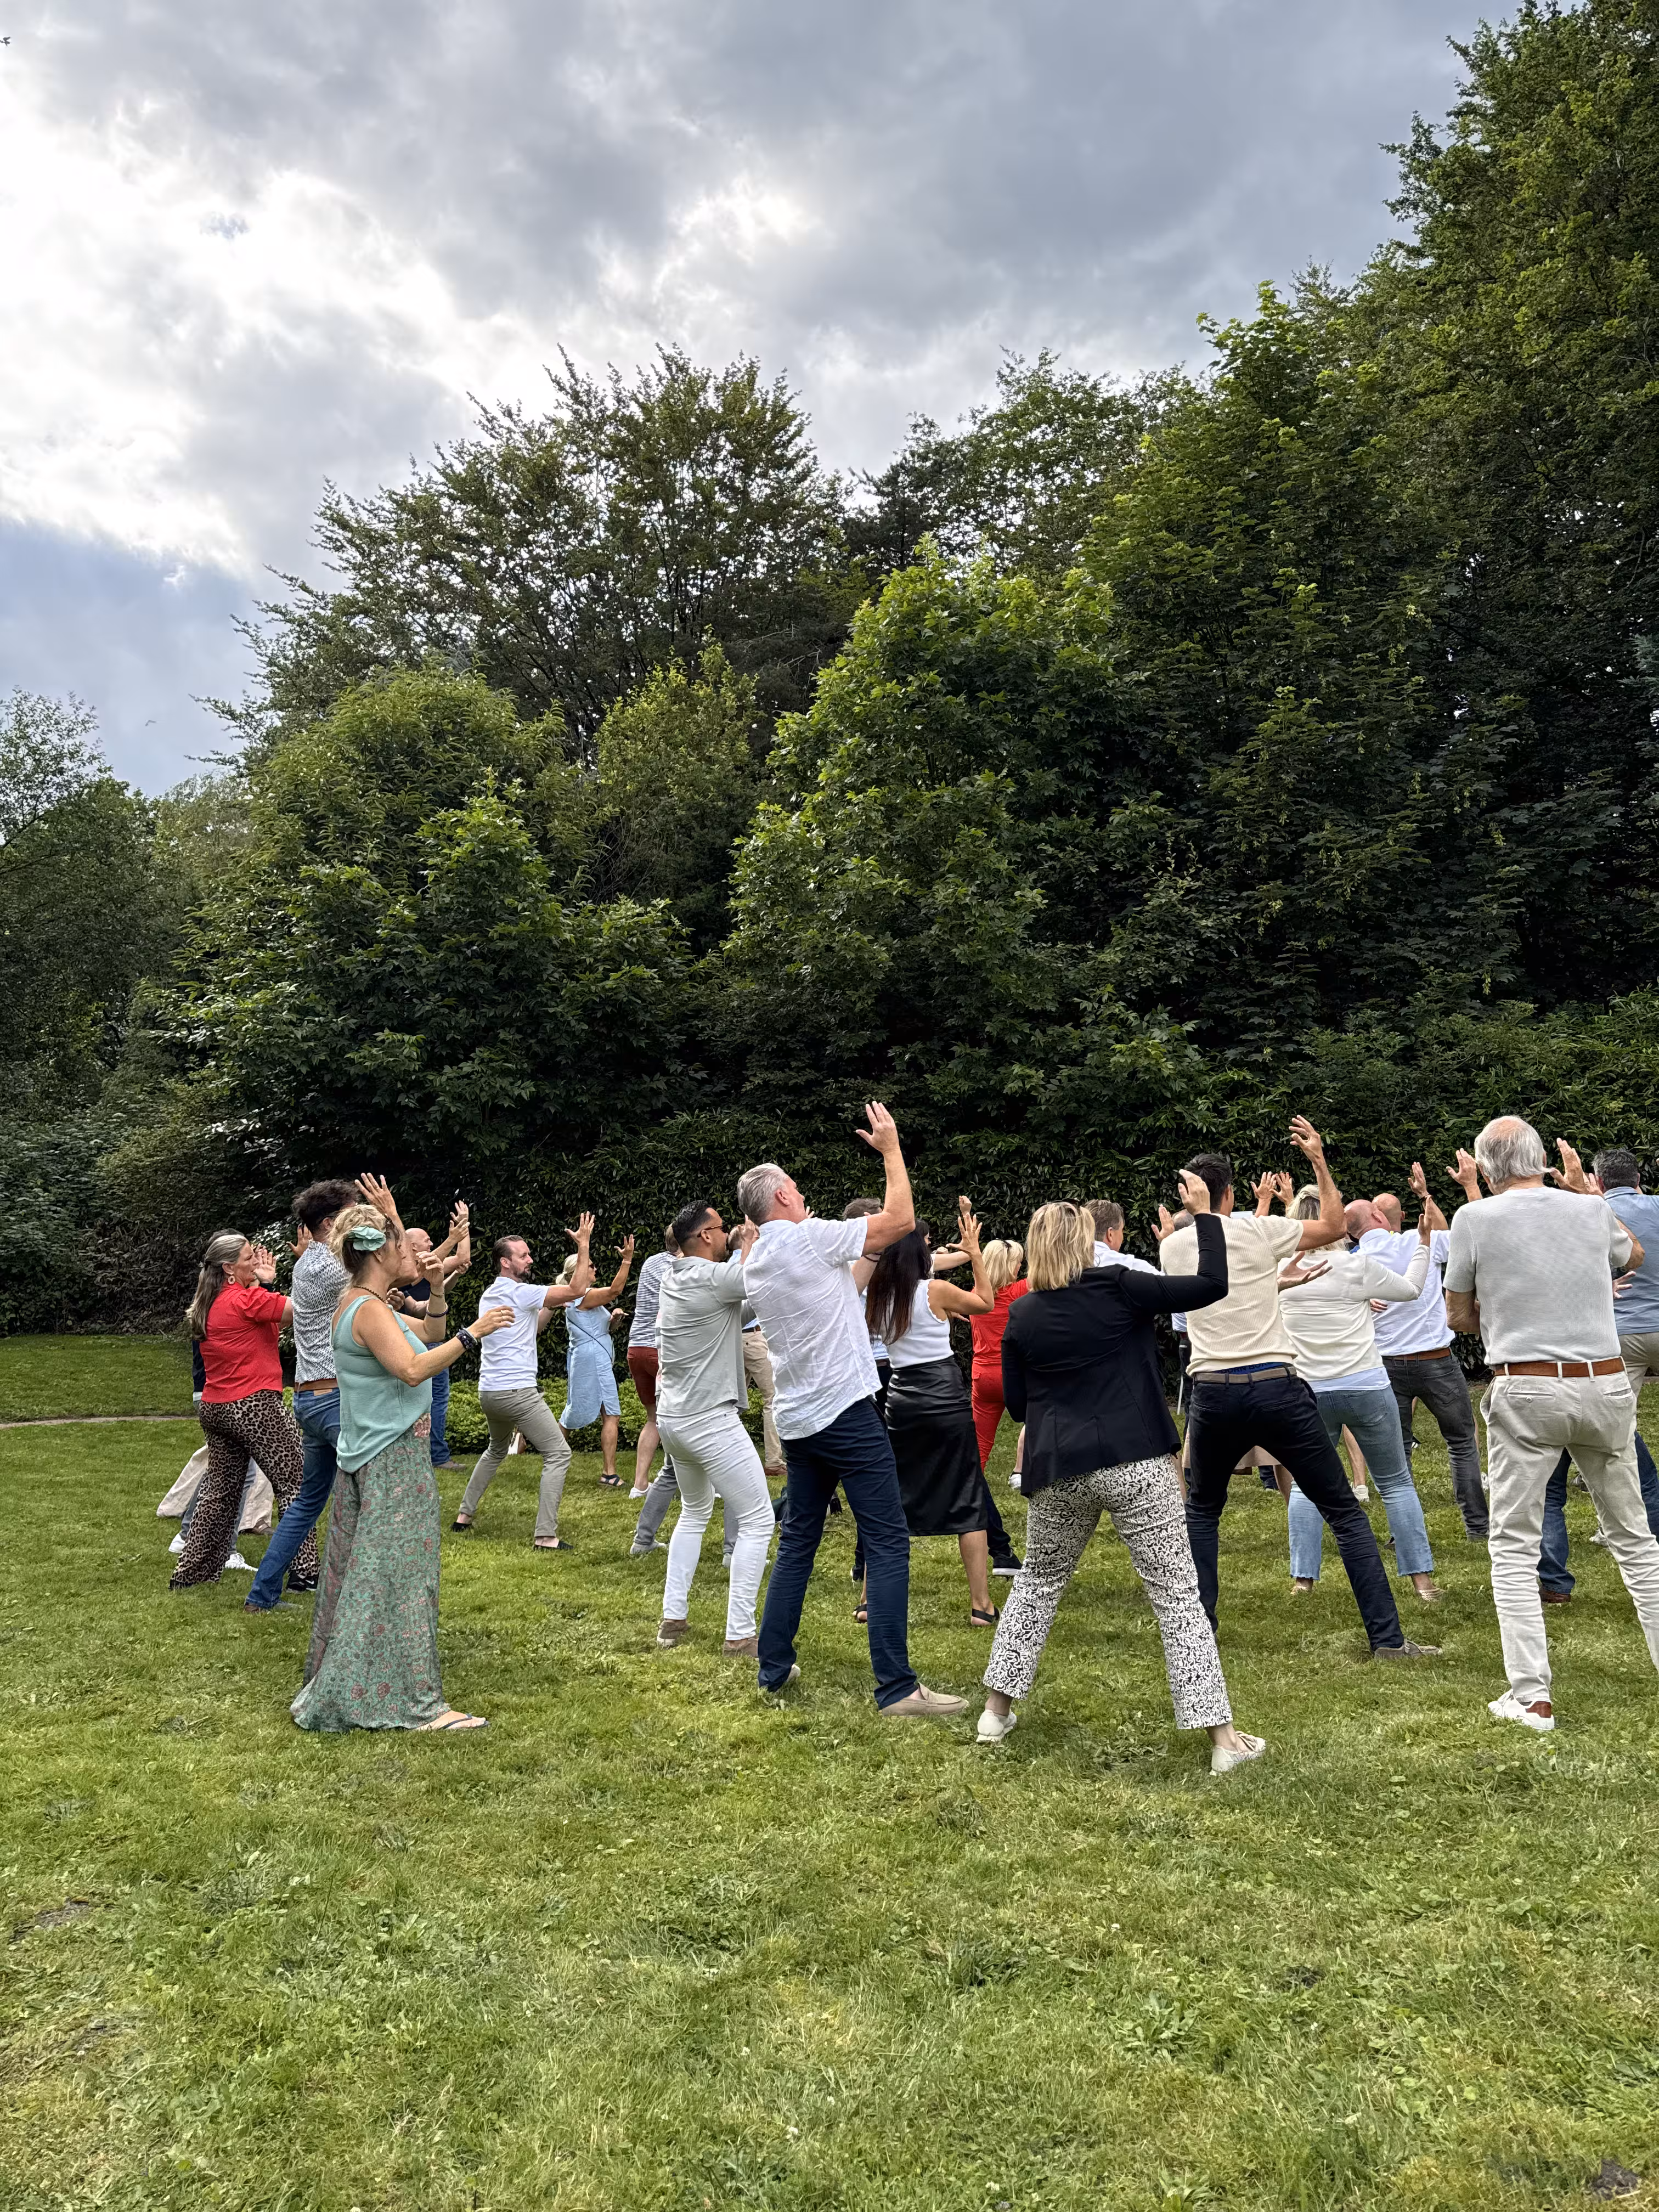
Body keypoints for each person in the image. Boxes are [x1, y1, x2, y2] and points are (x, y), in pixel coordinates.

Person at [979, 1180, 1265, 1774]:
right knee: (1177, 1596)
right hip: (1136, 1460)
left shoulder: (1024, 1312)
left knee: (1037, 1585)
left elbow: (1020, 1407)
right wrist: (1205, 1218)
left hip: (1059, 1467)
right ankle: (1224, 1742)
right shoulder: (1120, 1285)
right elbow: (1212, 1285)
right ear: (1087, 1243)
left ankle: (994, 1713)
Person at [1161, 1119, 1436, 1661]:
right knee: (1346, 1512)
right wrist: (1319, 1161)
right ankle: (1387, 1640)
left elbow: (1220, 1278)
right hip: (1275, 1386)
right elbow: (1333, 1223)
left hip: (1212, 1391)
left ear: (1188, 1194)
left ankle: (1198, 1639)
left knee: (1203, 1513)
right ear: (1230, 1195)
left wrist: (1273, 1281)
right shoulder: (1258, 1234)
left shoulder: (1173, 1249)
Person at [741, 1104, 968, 1719]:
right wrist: (891, 1150)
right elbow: (903, 1220)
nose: (803, 1195)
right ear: (782, 1195)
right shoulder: (808, 1237)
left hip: (799, 1420)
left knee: (799, 1542)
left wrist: (873, 1244)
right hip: (845, 1412)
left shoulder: (757, 1262)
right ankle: (897, 1688)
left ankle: (773, 1666)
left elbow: (848, 1285)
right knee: (889, 1540)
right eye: (797, 1188)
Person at [1444, 1118, 1659, 1731]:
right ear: (1541, 1159)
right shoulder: (1589, 1209)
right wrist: (1587, 1195)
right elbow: (1633, 1256)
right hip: (1605, 1382)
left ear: (1488, 1169)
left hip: (1528, 1384)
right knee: (1636, 1540)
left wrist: (1506, 1309)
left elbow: (1458, 1314)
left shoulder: (1473, 1218)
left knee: (1514, 1545)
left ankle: (1532, 1698)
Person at [292, 1204, 512, 1733]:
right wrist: (475, 1333)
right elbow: (414, 1369)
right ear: (377, 1252)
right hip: (390, 1459)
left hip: (373, 1455)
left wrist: (436, 1290)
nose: (409, 1252)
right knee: (403, 1579)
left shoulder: (365, 1304)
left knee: (370, 1575)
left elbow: (430, 1333)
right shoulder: (367, 1310)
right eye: (401, 1244)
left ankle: (358, 1684)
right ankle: (417, 1704)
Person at [1277, 1192, 1441, 1604]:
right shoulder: (1354, 1265)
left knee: (1306, 1486)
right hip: (1366, 1384)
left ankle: (1303, 1581)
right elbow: (1411, 1289)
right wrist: (1423, 1243)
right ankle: (1422, 1583)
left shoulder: (1278, 1271)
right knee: (1396, 1482)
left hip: (1310, 1390)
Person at [864, 1197, 1000, 1627]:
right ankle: (981, 1605)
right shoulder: (935, 1291)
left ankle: (868, 1599)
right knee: (967, 1496)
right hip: (944, 1397)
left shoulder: (878, 1297)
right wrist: (975, 1254)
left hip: (901, 1399)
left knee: (891, 1498)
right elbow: (986, 1302)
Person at [653, 1200, 778, 1654]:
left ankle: (673, 1619)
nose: (728, 1234)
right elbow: (754, 1277)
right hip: (708, 1420)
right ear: (706, 1235)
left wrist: (742, 1250)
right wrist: (752, 1241)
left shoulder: (675, 1277)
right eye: (723, 1228)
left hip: (674, 1419)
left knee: (695, 1511)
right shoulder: (711, 1277)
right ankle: (740, 1635)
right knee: (759, 1519)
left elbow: (734, 1311)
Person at [1537, 1143, 1659, 1600]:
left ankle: (1610, 1538)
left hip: (1615, 1337)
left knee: (1621, 1440)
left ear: (1600, 1181)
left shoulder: (1585, 1215)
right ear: (1638, 1179)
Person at [172, 1232, 310, 1594]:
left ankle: (193, 1572)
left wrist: (263, 1284)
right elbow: (301, 1309)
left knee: (220, 1491)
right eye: (249, 1258)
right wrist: (291, 1271)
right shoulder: (246, 1300)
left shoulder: (210, 1302)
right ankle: (304, 1572)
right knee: (296, 1482)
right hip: (254, 1405)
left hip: (215, 1407)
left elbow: (269, 1320)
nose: (257, 1261)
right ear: (229, 1268)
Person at [244, 1177, 358, 1613]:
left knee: (307, 1503)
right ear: (329, 1223)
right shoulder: (333, 1267)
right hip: (334, 1399)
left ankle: (262, 1595)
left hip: (310, 1398)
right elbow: (399, 1269)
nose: (360, 1222)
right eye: (351, 1215)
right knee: (368, 1497)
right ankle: (353, 1600)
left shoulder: (308, 1263)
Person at [451, 1220, 596, 1547]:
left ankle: (464, 1516)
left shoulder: (491, 1294)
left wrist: (552, 1306)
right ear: (506, 1262)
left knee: (496, 1450)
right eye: (523, 1256)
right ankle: (545, 1536)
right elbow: (577, 1289)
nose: (530, 1260)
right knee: (558, 1453)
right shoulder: (520, 1292)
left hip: (490, 1392)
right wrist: (583, 1244)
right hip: (517, 1392)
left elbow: (533, 1327)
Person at [1366, 1164, 1489, 1540]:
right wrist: (1427, 1195)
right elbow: (1464, 1236)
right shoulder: (1421, 1242)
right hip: (1435, 1361)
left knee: (1397, 1451)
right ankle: (1478, 1527)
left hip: (1387, 1366)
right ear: (1396, 1217)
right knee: (1461, 1442)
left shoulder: (1357, 1256)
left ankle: (1402, 1534)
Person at [391, 1201, 473, 1470]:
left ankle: (427, 1454)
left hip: (422, 1339)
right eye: (426, 1240)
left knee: (430, 1401)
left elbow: (462, 1259)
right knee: (436, 1400)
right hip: (420, 1341)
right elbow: (418, 1307)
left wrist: (463, 1225)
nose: (431, 1243)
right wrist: (456, 1233)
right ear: (412, 1247)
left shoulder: (426, 1266)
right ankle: (437, 1456)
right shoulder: (402, 1273)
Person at [557, 1234, 636, 1487]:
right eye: (590, 1265)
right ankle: (556, 1456)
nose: (594, 1268)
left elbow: (599, 1329)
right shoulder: (582, 1295)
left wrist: (613, 1320)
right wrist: (627, 1261)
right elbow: (615, 1291)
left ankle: (608, 1472)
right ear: (578, 1272)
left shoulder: (580, 1297)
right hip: (591, 1361)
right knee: (583, 1413)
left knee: (608, 1413)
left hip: (594, 1359)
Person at [969, 1239, 1030, 1469]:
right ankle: (1023, 1473)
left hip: (983, 1377)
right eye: (1017, 1262)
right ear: (1007, 1265)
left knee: (979, 1445)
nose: (1020, 1266)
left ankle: (970, 1487)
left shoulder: (975, 1296)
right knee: (1041, 1428)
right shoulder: (1020, 1291)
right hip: (1015, 1375)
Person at [626, 1228, 678, 1498]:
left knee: (653, 1418)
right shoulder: (681, 1266)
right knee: (682, 1417)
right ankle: (692, 1483)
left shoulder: (651, 1262)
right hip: (660, 1348)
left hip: (636, 1347)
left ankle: (640, 1485)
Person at [1087, 1199, 1159, 1274]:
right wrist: (1165, 1242)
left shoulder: (1079, 1262)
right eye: (1122, 1230)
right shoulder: (1130, 1266)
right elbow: (1164, 1280)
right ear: (1110, 1234)